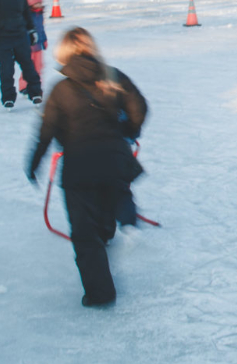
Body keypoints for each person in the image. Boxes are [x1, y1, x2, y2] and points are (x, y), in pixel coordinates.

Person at [27, 28, 148, 307]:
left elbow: (46, 131)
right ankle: (112, 228)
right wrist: (126, 132)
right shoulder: (114, 76)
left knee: (84, 234)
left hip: (79, 165)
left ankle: (100, 293)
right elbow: (139, 109)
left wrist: (34, 163)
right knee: (108, 201)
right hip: (115, 160)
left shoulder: (61, 89)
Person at [20, 0, 50, 94]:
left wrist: (44, 40)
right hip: (28, 45)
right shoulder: (27, 16)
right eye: (36, 3)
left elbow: (41, 28)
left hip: (38, 45)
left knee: (38, 66)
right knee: (28, 66)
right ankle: (24, 86)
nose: (39, 5)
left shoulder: (40, 15)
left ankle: (36, 85)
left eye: (40, 3)